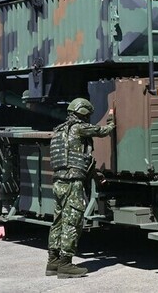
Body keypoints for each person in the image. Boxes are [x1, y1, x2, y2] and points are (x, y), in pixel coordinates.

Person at [46, 98, 115, 278]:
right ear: (83, 113)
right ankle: (66, 264)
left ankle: (53, 262)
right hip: (72, 182)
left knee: (58, 220)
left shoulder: (59, 130)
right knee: (73, 221)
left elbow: (78, 157)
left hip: (59, 182)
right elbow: (101, 131)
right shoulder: (78, 128)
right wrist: (111, 123)